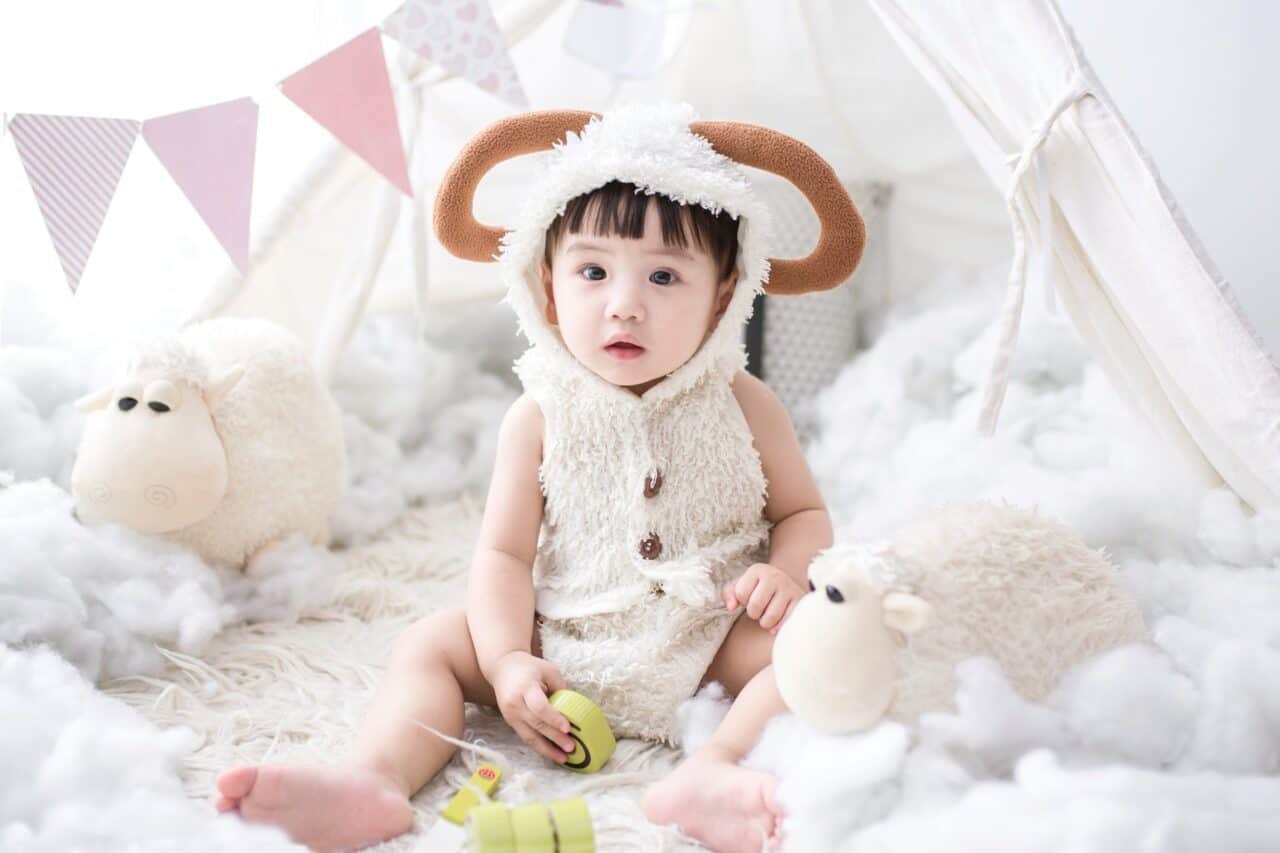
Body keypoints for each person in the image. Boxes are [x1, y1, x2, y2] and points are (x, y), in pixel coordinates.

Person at [213, 103, 864, 853]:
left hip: (707, 638)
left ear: (724, 296)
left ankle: (710, 770)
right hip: (565, 643)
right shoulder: (538, 415)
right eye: (593, 271)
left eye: (664, 275)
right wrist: (507, 659)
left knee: (816, 643)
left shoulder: (746, 403)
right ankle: (373, 779)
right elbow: (504, 556)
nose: (624, 303)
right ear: (548, 288)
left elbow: (804, 512)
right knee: (432, 642)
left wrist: (785, 575)